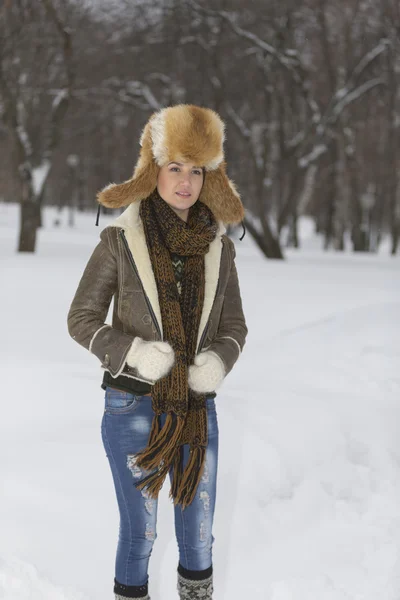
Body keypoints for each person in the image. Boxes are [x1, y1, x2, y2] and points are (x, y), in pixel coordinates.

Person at [67, 104, 248, 600]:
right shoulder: (120, 240)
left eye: (197, 170)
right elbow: (80, 320)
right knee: (141, 534)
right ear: (154, 168)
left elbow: (235, 325)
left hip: (196, 407)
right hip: (131, 406)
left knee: (199, 537)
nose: (186, 182)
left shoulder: (219, 247)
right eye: (175, 167)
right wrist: (131, 353)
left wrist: (218, 361)